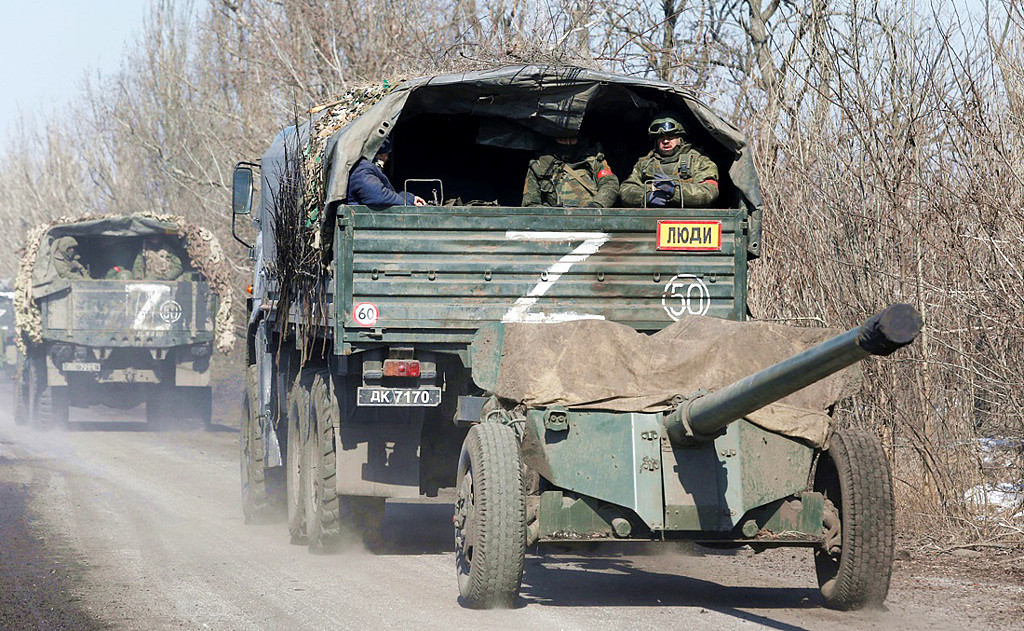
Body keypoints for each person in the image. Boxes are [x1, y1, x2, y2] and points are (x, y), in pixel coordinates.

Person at [620, 114, 719, 208]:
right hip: (651, 218)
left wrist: (674, 191)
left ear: (680, 138)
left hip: (689, 219)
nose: (665, 141)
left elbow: (709, 192)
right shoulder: (645, 164)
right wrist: (647, 196)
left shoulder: (699, 162)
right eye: (661, 138)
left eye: (670, 137)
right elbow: (626, 190)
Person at [521, 131, 619, 208]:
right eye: (562, 139)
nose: (568, 143)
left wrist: (597, 205)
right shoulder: (539, 166)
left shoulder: (593, 161)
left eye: (572, 139)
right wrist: (552, 213)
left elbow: (609, 183)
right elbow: (530, 204)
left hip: (592, 220)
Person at [347, 137, 426, 207]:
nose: (387, 158)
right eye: (386, 154)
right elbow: (379, 196)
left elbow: (388, 191)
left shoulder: (366, 168)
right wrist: (407, 204)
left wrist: (411, 198)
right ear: (378, 154)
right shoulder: (362, 171)